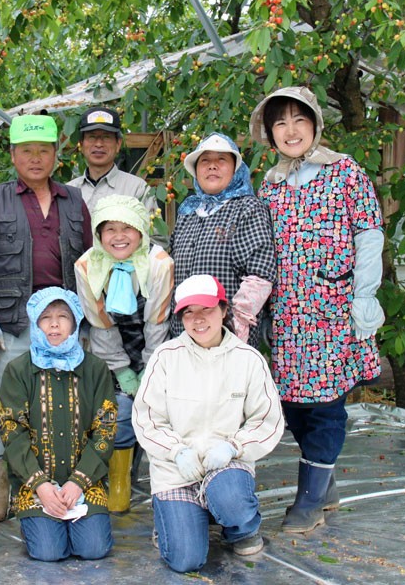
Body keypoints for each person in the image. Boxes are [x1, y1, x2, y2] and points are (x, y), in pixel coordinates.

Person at [249, 86, 385, 533]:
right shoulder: (269, 185)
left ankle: (308, 501)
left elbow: (368, 238)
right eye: (280, 122)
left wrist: (364, 297)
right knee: (292, 406)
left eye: (299, 119)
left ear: (315, 125)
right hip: (287, 316)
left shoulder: (345, 173)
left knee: (326, 405)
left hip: (333, 312)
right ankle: (323, 484)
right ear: (270, 133)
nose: (291, 130)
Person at [0, 114, 92, 521]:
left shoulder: (73, 200)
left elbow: (91, 263)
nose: (35, 158)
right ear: (13, 155)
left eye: (43, 150)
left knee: (56, 404)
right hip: (11, 321)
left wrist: (86, 321)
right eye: (26, 151)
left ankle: (45, 486)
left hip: (63, 324)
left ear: (56, 154)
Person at [132, 275, 284, 573]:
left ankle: (240, 528)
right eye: (189, 312)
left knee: (230, 499)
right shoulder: (166, 357)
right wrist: (176, 451)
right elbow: (147, 418)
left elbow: (267, 420)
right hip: (177, 470)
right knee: (186, 559)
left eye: (207, 309)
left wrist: (233, 446)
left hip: (225, 465)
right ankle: (175, 519)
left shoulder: (248, 359)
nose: (198, 320)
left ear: (224, 310)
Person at [0, 287, 116, 561]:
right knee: (49, 552)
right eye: (45, 317)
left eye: (63, 316)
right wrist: (40, 485)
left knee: (93, 549)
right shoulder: (18, 371)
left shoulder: (95, 369)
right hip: (36, 485)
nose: (54, 324)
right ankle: (35, 521)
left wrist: (78, 482)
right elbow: (12, 431)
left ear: (75, 322)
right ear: (35, 323)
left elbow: (105, 428)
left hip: (86, 483)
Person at [74, 194, 173, 513]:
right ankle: (118, 482)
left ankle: (161, 483)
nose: (119, 237)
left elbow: (158, 318)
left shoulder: (159, 264)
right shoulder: (87, 265)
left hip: (150, 340)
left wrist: (149, 367)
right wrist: (120, 370)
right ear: (98, 234)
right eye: (110, 229)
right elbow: (98, 321)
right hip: (109, 344)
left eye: (127, 228)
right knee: (115, 410)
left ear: (142, 231)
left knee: (154, 409)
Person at [169, 132, 275, 349]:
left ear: (235, 169)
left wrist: (233, 328)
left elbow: (260, 274)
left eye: (221, 160)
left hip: (227, 334)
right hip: (184, 333)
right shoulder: (188, 211)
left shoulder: (247, 208)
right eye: (205, 160)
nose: (212, 166)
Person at [67, 106, 157, 214]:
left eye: (106, 137)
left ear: (118, 144)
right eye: (92, 137)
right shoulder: (68, 192)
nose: (99, 144)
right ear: (81, 144)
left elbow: (153, 230)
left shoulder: (137, 189)